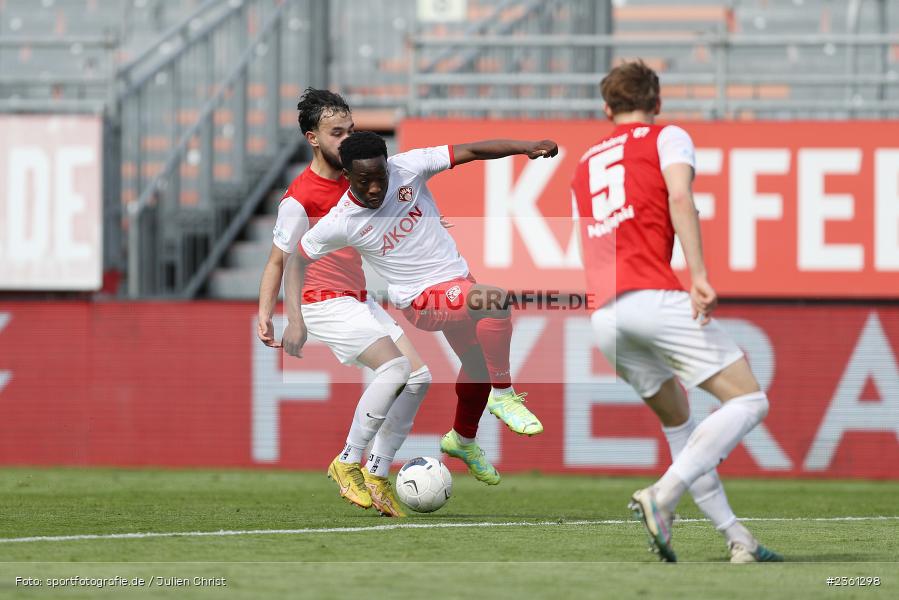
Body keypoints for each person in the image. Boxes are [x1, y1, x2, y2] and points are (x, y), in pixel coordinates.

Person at [570, 60, 782, 563]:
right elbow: (680, 197)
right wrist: (699, 275)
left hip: (606, 316)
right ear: (657, 102)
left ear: (606, 108)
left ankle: (738, 540)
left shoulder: (584, 164)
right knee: (750, 402)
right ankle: (662, 496)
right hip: (653, 296)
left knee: (681, 427)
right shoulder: (666, 137)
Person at [282, 131, 558, 485]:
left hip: (458, 284)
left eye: (380, 177)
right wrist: (295, 319)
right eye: (363, 181)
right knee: (496, 301)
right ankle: (504, 397)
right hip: (422, 300)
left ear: (387, 166)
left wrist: (526, 145)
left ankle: (463, 439)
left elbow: (471, 147)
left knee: (476, 365)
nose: (374, 188)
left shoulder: (407, 168)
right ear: (348, 176)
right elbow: (296, 262)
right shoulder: (341, 221)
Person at [257, 88, 430, 517]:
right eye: (337, 133)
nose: (346, 139)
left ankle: (376, 472)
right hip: (322, 302)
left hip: (357, 298)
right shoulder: (300, 198)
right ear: (313, 138)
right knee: (395, 368)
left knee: (419, 378)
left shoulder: (358, 179)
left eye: (351, 130)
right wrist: (279, 317)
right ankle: (347, 461)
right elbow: (278, 261)